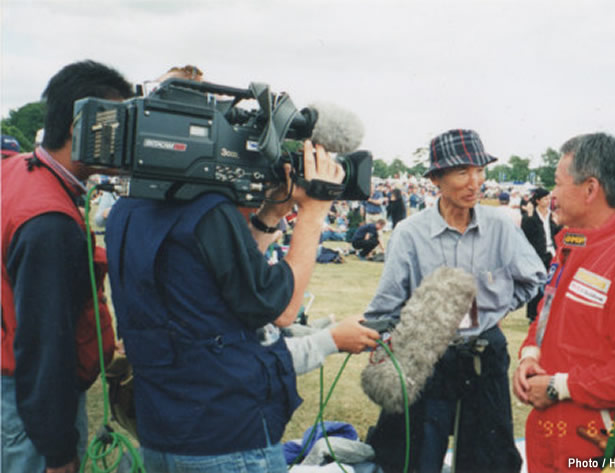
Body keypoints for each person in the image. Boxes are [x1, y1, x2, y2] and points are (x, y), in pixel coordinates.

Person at [105, 136, 376, 472]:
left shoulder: (129, 206)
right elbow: (281, 309)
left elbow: (227, 285)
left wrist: (271, 214)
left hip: (162, 430)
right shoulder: (208, 210)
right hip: (225, 436)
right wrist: (315, 209)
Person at [364, 129, 546, 473]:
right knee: (416, 458)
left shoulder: (501, 227)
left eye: (480, 170)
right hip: (426, 356)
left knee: (488, 459)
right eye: (462, 172)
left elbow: (534, 277)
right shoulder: (409, 232)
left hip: (484, 356)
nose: (474, 182)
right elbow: (385, 308)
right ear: (436, 178)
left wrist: (496, 310)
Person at [512, 132, 615, 473]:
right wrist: (530, 356)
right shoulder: (572, 247)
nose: (551, 196)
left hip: (596, 446)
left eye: (557, 184)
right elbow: (546, 316)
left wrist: (558, 387)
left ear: (590, 189)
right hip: (549, 435)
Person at [1, 60, 131, 473]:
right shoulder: (48, 220)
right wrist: (58, 450)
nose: (130, 139)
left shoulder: (21, 169)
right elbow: (43, 344)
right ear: (84, 124)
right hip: (30, 404)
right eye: (121, 124)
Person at [521, 187, 562, 322]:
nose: (548, 201)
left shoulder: (552, 215)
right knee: (537, 285)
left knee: (551, 284)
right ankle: (533, 314)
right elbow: (526, 233)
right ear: (538, 200)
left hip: (551, 252)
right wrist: (530, 216)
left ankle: (547, 312)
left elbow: (556, 233)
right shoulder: (531, 217)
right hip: (537, 254)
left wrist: (558, 224)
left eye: (549, 198)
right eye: (545, 198)